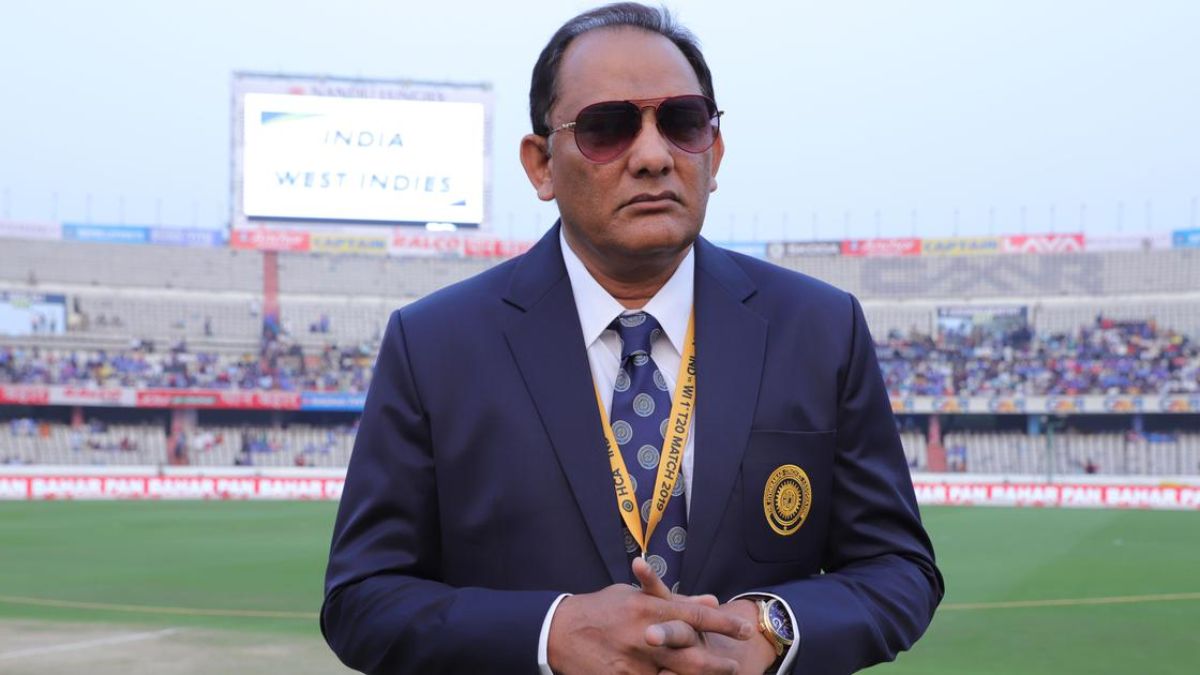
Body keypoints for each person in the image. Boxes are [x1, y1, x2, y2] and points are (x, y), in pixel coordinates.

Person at [322, 4, 942, 674]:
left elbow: (898, 567)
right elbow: (362, 598)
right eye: (607, 129)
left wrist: (773, 629)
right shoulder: (434, 345)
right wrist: (549, 633)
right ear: (541, 165)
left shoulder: (820, 328)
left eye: (683, 123)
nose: (652, 156)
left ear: (715, 152)